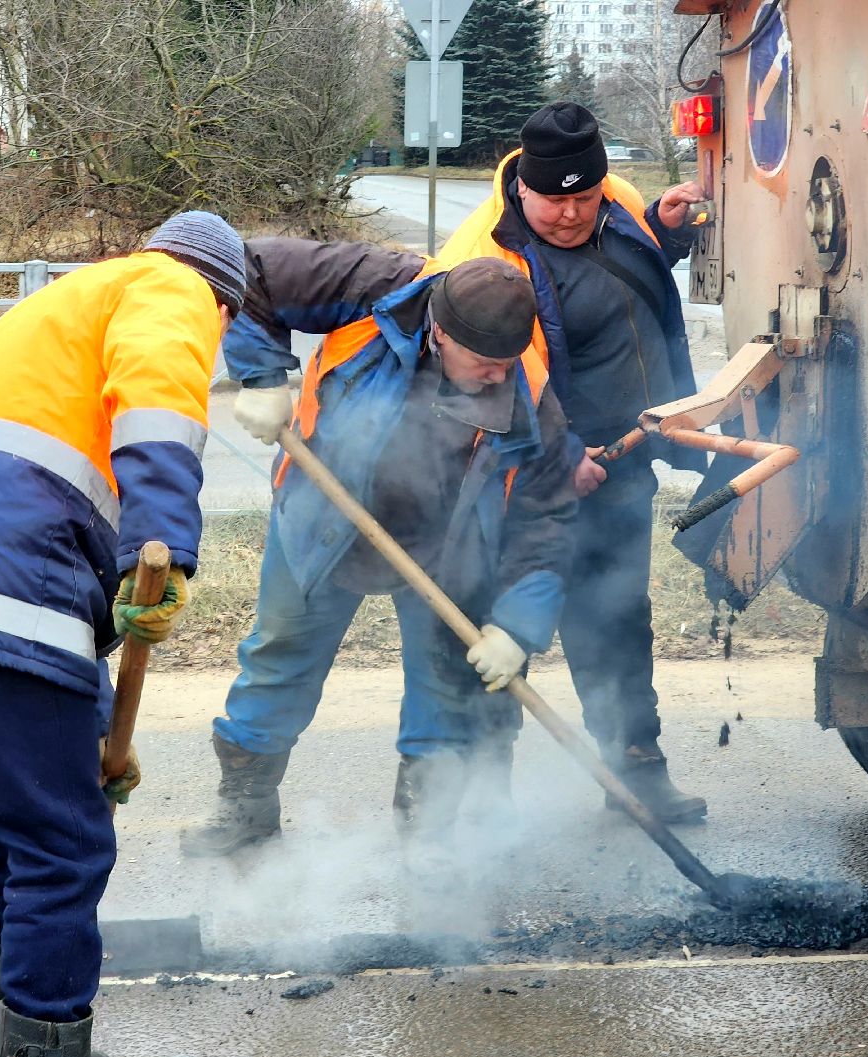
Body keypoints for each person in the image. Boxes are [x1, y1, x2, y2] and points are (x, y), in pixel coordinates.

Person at [0, 211, 245, 1057]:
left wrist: (100, 729)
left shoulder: (71, 299)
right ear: (224, 306)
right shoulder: (174, 286)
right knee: (62, 848)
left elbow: (51, 531)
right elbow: (155, 414)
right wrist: (170, 550)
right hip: (5, 572)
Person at [179, 245, 576, 858]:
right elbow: (245, 269)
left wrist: (518, 627)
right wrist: (259, 378)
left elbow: (546, 521)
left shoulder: (530, 394)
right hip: (322, 518)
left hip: (446, 549)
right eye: (483, 363)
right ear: (440, 332)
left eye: (507, 362)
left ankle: (428, 836)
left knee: (445, 685)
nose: (498, 375)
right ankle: (245, 818)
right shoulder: (377, 285)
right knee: (280, 656)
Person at [440, 101, 711, 823]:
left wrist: (665, 227)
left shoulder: (613, 202)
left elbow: (621, 271)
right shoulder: (485, 262)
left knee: (618, 621)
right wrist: (560, 456)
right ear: (521, 188)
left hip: (623, 463)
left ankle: (636, 776)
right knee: (509, 633)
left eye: (584, 198)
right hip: (526, 480)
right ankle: (479, 800)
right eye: (554, 202)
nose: (570, 215)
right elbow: (484, 384)